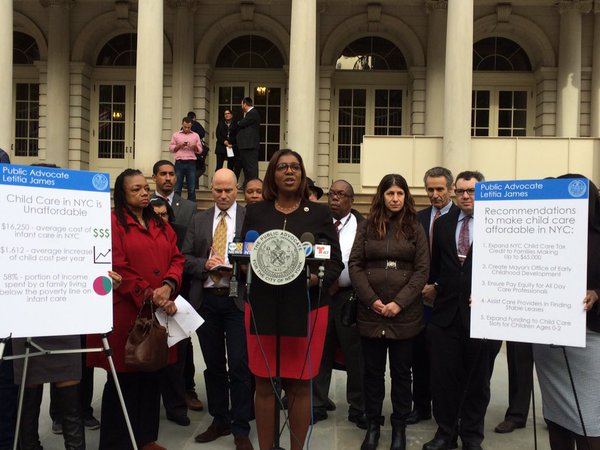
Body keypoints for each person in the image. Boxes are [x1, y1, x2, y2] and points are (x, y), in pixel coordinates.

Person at [241, 149, 343, 450]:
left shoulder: (320, 213)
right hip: (262, 305)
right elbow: (244, 253)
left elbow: (334, 262)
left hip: (307, 307)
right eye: (282, 167)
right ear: (272, 173)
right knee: (264, 381)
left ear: (302, 174)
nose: (289, 172)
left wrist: (312, 279)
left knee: (299, 384)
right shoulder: (257, 212)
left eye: (295, 167)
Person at [87, 169, 184, 450]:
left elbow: (176, 258)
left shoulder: (160, 223)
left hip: (158, 311)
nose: (144, 193)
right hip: (127, 312)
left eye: (145, 188)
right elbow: (117, 264)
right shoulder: (113, 222)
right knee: (124, 380)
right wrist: (149, 294)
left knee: (153, 373)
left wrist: (168, 285)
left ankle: (146, 440)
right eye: (136, 189)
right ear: (123, 194)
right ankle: (116, 443)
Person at [348, 173, 429, 450]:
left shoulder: (415, 228)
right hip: (371, 313)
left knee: (402, 374)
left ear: (406, 196)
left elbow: (422, 270)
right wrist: (371, 300)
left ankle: (399, 428)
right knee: (372, 373)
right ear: (381, 196)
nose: (395, 198)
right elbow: (355, 264)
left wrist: (399, 303)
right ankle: (372, 426)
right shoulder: (367, 225)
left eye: (400, 193)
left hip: (405, 315)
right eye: (390, 193)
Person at [424, 170, 501, 450]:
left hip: (483, 318)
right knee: (444, 381)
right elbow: (437, 270)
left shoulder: (499, 224)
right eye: (461, 191)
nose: (466, 196)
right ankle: (446, 433)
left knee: (478, 383)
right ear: (454, 193)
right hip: (445, 316)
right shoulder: (443, 225)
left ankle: (471, 437)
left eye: (472, 191)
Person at [182, 168, 254, 450]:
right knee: (213, 366)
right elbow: (184, 258)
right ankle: (219, 419)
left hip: (237, 298)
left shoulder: (250, 218)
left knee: (239, 365)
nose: (223, 196)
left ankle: (241, 427)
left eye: (228, 190)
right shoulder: (198, 220)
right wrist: (203, 265)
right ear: (210, 189)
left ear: (237, 189)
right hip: (207, 301)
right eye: (218, 190)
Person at [533, 175, 600, 450]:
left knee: (589, 418)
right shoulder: (542, 233)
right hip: (548, 337)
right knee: (556, 414)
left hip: (589, 337)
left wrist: (597, 293)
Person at [312, 179, 367, 428]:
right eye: (332, 193)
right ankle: (316, 403)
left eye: (341, 194)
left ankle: (358, 407)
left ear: (351, 200)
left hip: (349, 297)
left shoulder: (362, 225)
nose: (335, 198)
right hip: (320, 295)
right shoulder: (318, 223)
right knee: (319, 351)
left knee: (355, 354)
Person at [151, 160, 203, 412]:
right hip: (149, 292)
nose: (168, 178)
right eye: (163, 173)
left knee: (182, 346)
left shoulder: (188, 208)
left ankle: (186, 390)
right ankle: (159, 394)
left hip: (178, 291)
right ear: (154, 177)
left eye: (172, 173)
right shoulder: (144, 204)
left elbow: (185, 253)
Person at [410, 167, 457, 426]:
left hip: (448, 297)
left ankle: (446, 410)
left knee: (444, 359)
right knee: (419, 355)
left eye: (440, 189)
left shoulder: (460, 218)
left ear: (450, 189)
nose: (435, 194)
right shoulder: (420, 217)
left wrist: (438, 285)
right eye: (430, 189)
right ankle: (421, 406)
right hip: (420, 297)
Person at [169, 116, 202, 201]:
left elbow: (200, 150)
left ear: (191, 126)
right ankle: (176, 207)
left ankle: (191, 208)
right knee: (177, 188)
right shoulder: (176, 135)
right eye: (185, 127)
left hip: (191, 162)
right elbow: (171, 149)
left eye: (189, 127)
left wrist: (194, 147)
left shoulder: (195, 135)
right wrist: (179, 145)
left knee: (191, 188)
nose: (187, 129)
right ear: (182, 125)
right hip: (179, 162)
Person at [236, 97, 261, 185]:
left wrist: (239, 123)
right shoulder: (250, 113)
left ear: (245, 104)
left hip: (250, 145)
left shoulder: (252, 113)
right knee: (247, 166)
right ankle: (247, 184)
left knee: (251, 167)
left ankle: (253, 184)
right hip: (246, 145)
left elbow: (242, 123)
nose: (241, 106)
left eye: (241, 104)